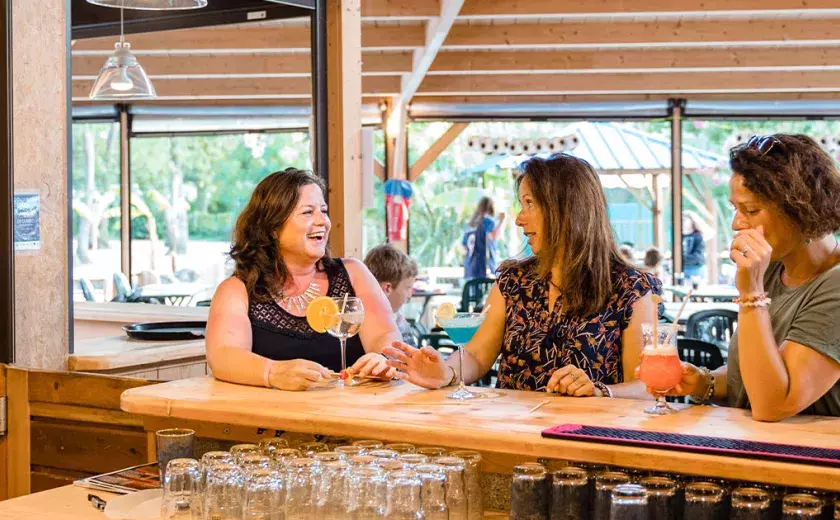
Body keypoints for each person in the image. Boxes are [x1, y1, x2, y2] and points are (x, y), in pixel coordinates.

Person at [384, 154, 661, 398]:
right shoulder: (512, 280)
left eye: (529, 204)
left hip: (591, 442)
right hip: (513, 437)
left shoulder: (632, 289)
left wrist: (601, 391)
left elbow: (648, 386)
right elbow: (475, 355)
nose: (518, 218)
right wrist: (446, 371)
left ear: (567, 210)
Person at [654, 134, 840, 420]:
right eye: (735, 208)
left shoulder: (834, 284)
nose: (736, 223)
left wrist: (751, 293)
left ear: (801, 210)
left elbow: (772, 405)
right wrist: (707, 382)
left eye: (750, 210)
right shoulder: (775, 267)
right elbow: (757, 371)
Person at [205, 168, 401, 391]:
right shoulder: (237, 289)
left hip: (352, 416)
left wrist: (383, 358)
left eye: (324, 211)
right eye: (308, 212)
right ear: (272, 228)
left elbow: (387, 336)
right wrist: (273, 372)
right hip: (271, 420)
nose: (323, 221)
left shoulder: (354, 273)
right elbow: (223, 356)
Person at [364, 244, 419, 347]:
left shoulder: (397, 317)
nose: (409, 295)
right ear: (387, 288)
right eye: (408, 288)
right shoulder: (375, 325)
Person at [462, 196, 505, 280]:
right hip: (484, 268)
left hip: (469, 268)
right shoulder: (487, 222)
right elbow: (492, 237)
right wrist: (501, 221)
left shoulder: (469, 225)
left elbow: (464, 247)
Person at [682, 211, 706, 282]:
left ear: (692, 221)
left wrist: (681, 259)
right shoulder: (678, 236)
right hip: (682, 269)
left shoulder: (698, 236)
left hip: (696, 270)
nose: (682, 222)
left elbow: (697, 256)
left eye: (684, 219)